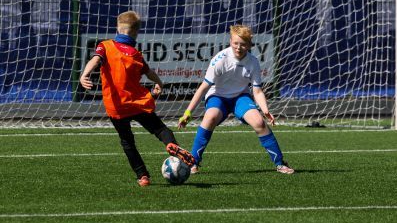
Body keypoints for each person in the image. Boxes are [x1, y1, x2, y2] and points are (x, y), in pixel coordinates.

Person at [80, 11, 195, 187]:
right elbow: (149, 73)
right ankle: (171, 144)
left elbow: (95, 60)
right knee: (160, 129)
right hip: (137, 103)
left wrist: (84, 75)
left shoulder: (105, 46)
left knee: (127, 142)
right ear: (135, 32)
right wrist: (159, 83)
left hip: (117, 106)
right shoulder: (135, 54)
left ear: (117, 28)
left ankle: (143, 176)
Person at [178, 24, 294, 175]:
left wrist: (265, 110)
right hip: (217, 96)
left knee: (259, 122)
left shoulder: (253, 62)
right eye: (235, 43)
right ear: (230, 41)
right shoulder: (220, 60)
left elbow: (257, 91)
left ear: (249, 45)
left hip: (240, 97)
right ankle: (193, 162)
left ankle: (280, 163)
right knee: (210, 117)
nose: (238, 47)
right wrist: (187, 113)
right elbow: (203, 88)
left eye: (243, 44)